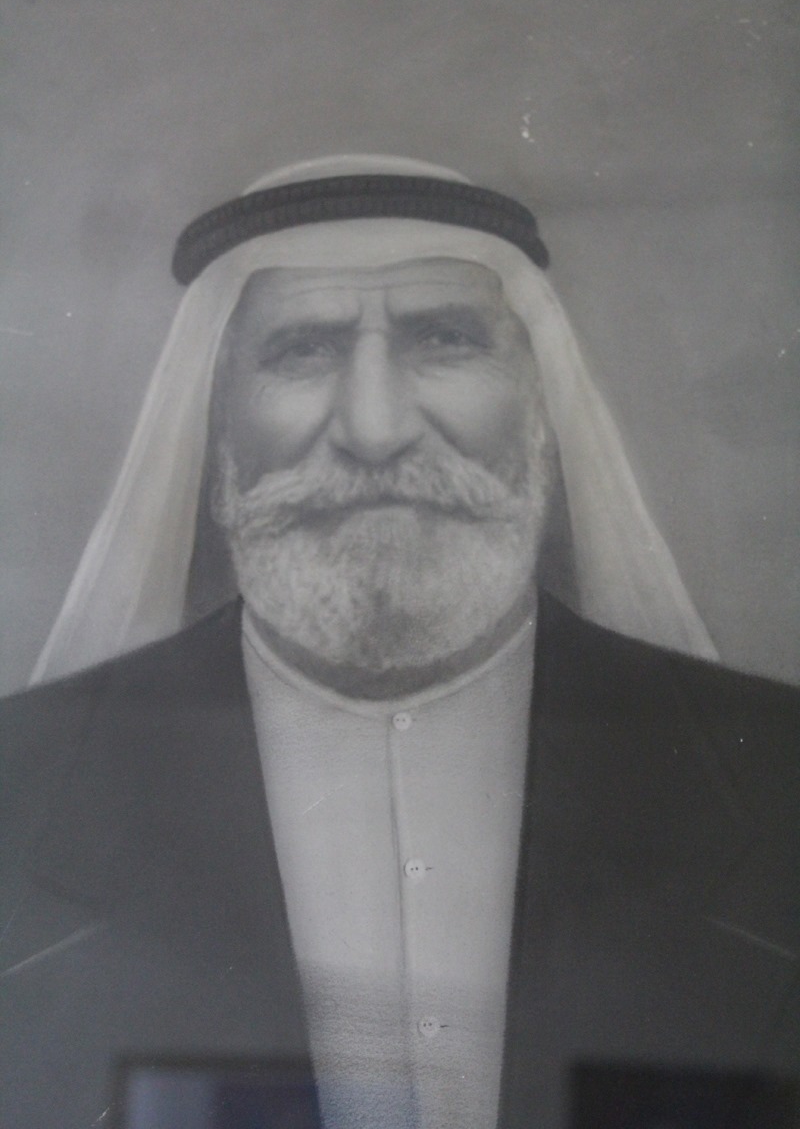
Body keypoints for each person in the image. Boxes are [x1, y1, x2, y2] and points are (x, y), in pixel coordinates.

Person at [2, 156, 798, 1129]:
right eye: (303, 351)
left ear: (541, 425)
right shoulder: (20, 788)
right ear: (214, 445)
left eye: (443, 341)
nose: (374, 429)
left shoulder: (777, 777)